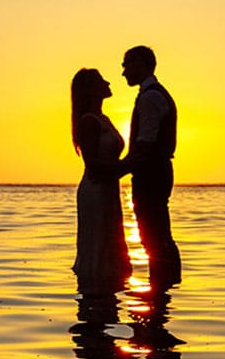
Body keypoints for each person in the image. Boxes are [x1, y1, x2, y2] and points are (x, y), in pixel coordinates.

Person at [120, 45, 182, 288]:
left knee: (154, 236)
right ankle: (166, 287)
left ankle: (163, 287)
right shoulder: (152, 95)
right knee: (157, 235)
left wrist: (114, 171)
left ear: (142, 64)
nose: (123, 72)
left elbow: (145, 145)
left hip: (151, 175)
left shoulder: (150, 97)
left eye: (127, 65)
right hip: (154, 173)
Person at [70, 68, 133, 292]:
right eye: (100, 81)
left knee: (110, 243)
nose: (107, 82)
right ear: (90, 90)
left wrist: (127, 166)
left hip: (108, 190)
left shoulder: (103, 118)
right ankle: (95, 296)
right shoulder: (88, 121)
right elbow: (93, 165)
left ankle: (108, 295)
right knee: (98, 246)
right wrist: (129, 165)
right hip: (96, 191)